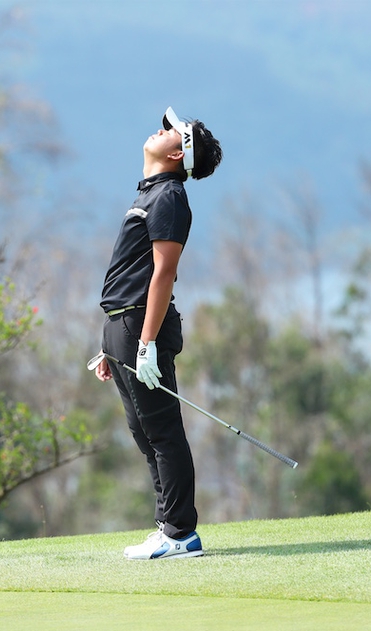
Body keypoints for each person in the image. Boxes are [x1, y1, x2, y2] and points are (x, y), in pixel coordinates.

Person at [94, 107, 222, 559]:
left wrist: (145, 343)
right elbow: (133, 272)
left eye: (173, 131)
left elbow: (163, 273)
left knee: (163, 432)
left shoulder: (168, 196)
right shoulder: (151, 192)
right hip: (124, 326)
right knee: (144, 433)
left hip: (141, 328)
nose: (162, 130)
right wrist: (112, 345)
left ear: (177, 154)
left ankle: (181, 533)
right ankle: (167, 524)